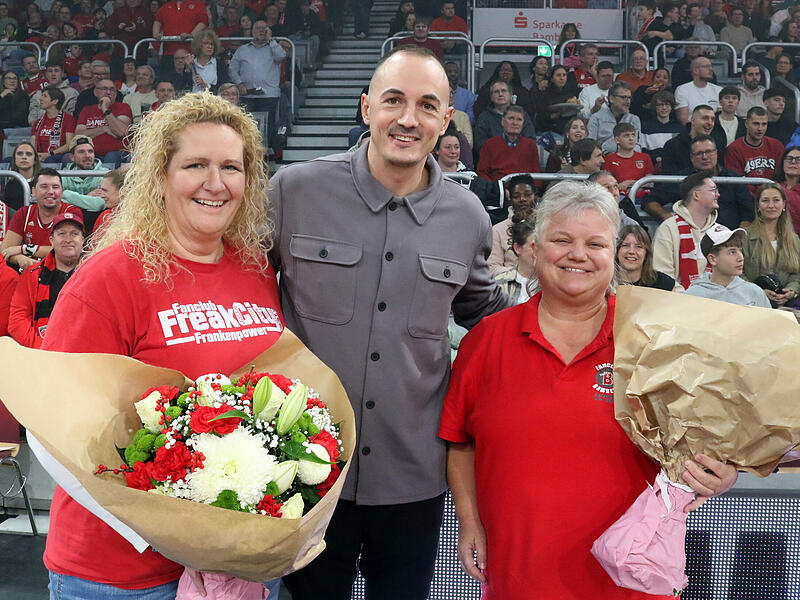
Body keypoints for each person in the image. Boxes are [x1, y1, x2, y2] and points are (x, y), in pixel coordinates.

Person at [274, 45, 512, 600]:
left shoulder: (467, 216)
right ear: (365, 109)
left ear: (446, 120)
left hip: (413, 475)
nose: (408, 119)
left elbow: (487, 315)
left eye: (427, 106)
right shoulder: (294, 191)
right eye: (393, 101)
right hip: (304, 472)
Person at [440, 180, 737, 599]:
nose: (578, 254)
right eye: (562, 240)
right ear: (535, 249)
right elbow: (461, 443)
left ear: (612, 254)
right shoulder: (485, 341)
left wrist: (719, 472)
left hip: (630, 582)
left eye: (594, 244)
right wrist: (469, 522)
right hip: (519, 576)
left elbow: (704, 445)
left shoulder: (655, 341)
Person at [40, 92, 284, 599]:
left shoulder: (256, 270)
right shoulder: (108, 278)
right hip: (120, 574)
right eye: (195, 165)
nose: (215, 184)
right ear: (160, 175)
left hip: (235, 566)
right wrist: (166, 526)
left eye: (231, 167)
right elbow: (50, 434)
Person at [8, 210, 84, 348]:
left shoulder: (94, 275)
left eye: (74, 234)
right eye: (61, 234)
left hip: (82, 355)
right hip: (40, 354)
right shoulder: (32, 275)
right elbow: (17, 321)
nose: (68, 239)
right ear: (52, 241)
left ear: (82, 240)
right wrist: (44, 348)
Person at [648, 135, 753, 229]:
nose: (704, 157)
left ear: (716, 153)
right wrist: (669, 219)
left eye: (709, 152)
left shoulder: (733, 179)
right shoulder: (682, 179)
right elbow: (649, 200)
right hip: (692, 240)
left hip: (728, 239)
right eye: (699, 153)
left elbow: (748, 211)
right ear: (691, 157)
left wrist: (738, 235)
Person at [653, 170, 720, 290]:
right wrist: (690, 299)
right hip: (678, 303)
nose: (718, 194)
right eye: (713, 190)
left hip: (716, 302)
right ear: (696, 195)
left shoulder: (720, 231)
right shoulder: (668, 229)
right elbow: (663, 275)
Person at [1, 168, 76, 271]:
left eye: (55, 187)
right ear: (34, 191)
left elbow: (66, 250)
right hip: (30, 273)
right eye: (44, 187)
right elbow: (5, 250)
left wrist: (24, 249)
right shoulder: (24, 213)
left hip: (61, 274)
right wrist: (20, 258)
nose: (50, 192)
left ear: (62, 192)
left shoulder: (71, 212)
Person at [229, 20, 287, 148]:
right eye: (258, 28)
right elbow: (232, 68)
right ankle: (248, 154)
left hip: (268, 96)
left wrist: (271, 40)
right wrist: (239, 83)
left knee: (266, 127)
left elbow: (281, 57)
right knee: (246, 126)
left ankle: (265, 155)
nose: (261, 31)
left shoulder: (274, 48)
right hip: (247, 95)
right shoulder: (242, 50)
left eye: (264, 28)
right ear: (252, 31)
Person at [742, 183, 800, 307]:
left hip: (786, 305)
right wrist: (758, 292)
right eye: (765, 201)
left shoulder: (794, 239)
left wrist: (791, 290)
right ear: (758, 206)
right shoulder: (743, 236)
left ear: (784, 205)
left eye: (776, 200)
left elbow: (797, 273)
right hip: (751, 304)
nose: (771, 206)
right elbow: (736, 273)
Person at [685, 224, 771, 307]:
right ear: (713, 259)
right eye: (732, 252)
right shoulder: (693, 295)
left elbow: (768, 321)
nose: (741, 258)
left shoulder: (754, 292)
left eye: (740, 250)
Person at [75, 78, 133, 162]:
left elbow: (121, 132)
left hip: (116, 153)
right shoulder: (87, 110)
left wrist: (105, 109)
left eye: (112, 89)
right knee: (68, 157)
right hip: (90, 153)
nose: (108, 92)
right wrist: (104, 129)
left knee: (111, 156)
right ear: (95, 92)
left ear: (116, 94)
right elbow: (78, 136)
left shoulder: (123, 107)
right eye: (104, 89)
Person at [489, 174, 536, 275]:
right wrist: (520, 274)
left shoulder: (547, 226)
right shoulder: (497, 230)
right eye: (516, 196)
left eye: (527, 195)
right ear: (510, 198)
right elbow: (492, 268)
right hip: (509, 285)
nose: (522, 199)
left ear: (535, 196)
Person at [476, 106, 539, 182]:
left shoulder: (530, 145)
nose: (515, 123)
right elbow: (482, 173)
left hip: (524, 189)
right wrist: (494, 189)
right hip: (497, 190)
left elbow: (537, 175)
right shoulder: (489, 144)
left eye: (519, 120)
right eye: (511, 118)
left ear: (523, 124)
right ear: (502, 121)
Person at [660, 104, 726, 175]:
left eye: (712, 119)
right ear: (693, 120)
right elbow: (668, 179)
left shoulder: (718, 144)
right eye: (705, 118)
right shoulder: (672, 146)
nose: (710, 123)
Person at [725, 106, 783, 185]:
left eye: (764, 124)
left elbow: (781, 177)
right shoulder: (734, 149)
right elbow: (736, 182)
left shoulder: (776, 146)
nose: (760, 128)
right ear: (746, 124)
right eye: (756, 124)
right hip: (746, 195)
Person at [474, 80, 535, 154]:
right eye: (496, 92)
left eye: (504, 91)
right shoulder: (484, 117)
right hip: (493, 159)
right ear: (491, 97)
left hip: (520, 158)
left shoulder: (522, 115)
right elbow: (480, 144)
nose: (500, 94)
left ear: (510, 95)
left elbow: (530, 140)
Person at [588, 81, 642, 154]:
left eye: (629, 98)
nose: (628, 101)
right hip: (603, 159)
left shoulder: (634, 119)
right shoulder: (596, 118)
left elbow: (638, 146)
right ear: (611, 98)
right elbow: (590, 146)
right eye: (623, 97)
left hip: (628, 160)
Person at [616, 224, 676, 290]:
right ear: (616, 251)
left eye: (639, 246)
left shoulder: (664, 284)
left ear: (646, 254)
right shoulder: (606, 282)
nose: (632, 251)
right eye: (625, 245)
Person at [152, 0, 208, 69]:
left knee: (190, 77)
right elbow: (157, 21)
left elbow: (203, 22)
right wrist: (156, 33)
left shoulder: (198, 4)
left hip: (190, 52)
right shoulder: (166, 6)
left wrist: (191, 34)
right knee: (167, 78)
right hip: (169, 52)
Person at [602, 122, 654, 197]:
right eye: (626, 135)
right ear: (617, 140)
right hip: (619, 197)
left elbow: (650, 182)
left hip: (643, 197)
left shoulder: (645, 157)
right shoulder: (609, 159)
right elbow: (606, 182)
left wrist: (629, 183)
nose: (631, 138)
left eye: (633, 135)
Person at [60, 135, 108, 211]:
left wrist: (66, 194)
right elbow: (57, 203)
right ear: (72, 157)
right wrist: (87, 197)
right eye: (81, 152)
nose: (87, 155)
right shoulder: (63, 176)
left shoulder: (105, 175)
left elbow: (99, 205)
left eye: (90, 151)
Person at [493, 218, 535, 304]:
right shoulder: (498, 285)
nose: (539, 251)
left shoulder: (553, 283)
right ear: (517, 248)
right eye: (533, 246)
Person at [30, 86, 76, 163]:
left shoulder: (68, 119)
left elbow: (69, 145)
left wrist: (50, 154)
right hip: (39, 156)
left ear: (55, 101)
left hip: (58, 156)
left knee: (50, 160)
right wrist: (36, 156)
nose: (40, 99)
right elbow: (32, 145)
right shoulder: (37, 123)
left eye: (44, 96)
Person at [674, 57, 722, 124]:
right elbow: (683, 120)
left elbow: (721, 117)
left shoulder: (719, 90)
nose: (711, 69)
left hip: (714, 131)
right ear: (695, 70)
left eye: (711, 66)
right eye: (706, 66)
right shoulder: (682, 90)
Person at [535, 64, 580, 135]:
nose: (562, 78)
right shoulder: (544, 94)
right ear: (552, 78)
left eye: (564, 75)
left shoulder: (571, 94)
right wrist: (557, 114)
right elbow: (540, 117)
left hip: (567, 131)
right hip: (547, 131)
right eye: (558, 75)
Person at [2, 142, 41, 212]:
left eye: (29, 154)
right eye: (20, 154)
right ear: (15, 159)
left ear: (35, 160)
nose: (24, 157)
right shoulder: (10, 185)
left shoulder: (42, 183)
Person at [188, 28, 229, 94]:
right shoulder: (191, 62)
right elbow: (184, 85)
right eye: (206, 43)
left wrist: (206, 85)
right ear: (199, 45)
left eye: (212, 44)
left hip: (213, 101)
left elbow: (224, 86)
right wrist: (187, 68)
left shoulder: (219, 64)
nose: (210, 46)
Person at [92, 168, 125, 238]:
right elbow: (95, 246)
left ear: (122, 190)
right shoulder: (104, 217)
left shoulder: (139, 217)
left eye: (105, 191)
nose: (101, 195)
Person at [775, 146, 800, 236]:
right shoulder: (774, 185)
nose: (793, 162)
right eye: (789, 159)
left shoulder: (774, 188)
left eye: (798, 159)